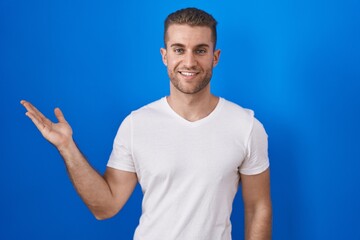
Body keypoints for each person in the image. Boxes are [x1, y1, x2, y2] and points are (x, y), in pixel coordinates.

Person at [21, 7, 272, 240]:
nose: (189, 62)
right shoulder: (136, 125)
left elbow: (257, 207)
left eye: (200, 50)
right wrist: (67, 147)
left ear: (215, 57)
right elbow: (105, 207)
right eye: (178, 49)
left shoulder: (246, 126)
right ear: (164, 56)